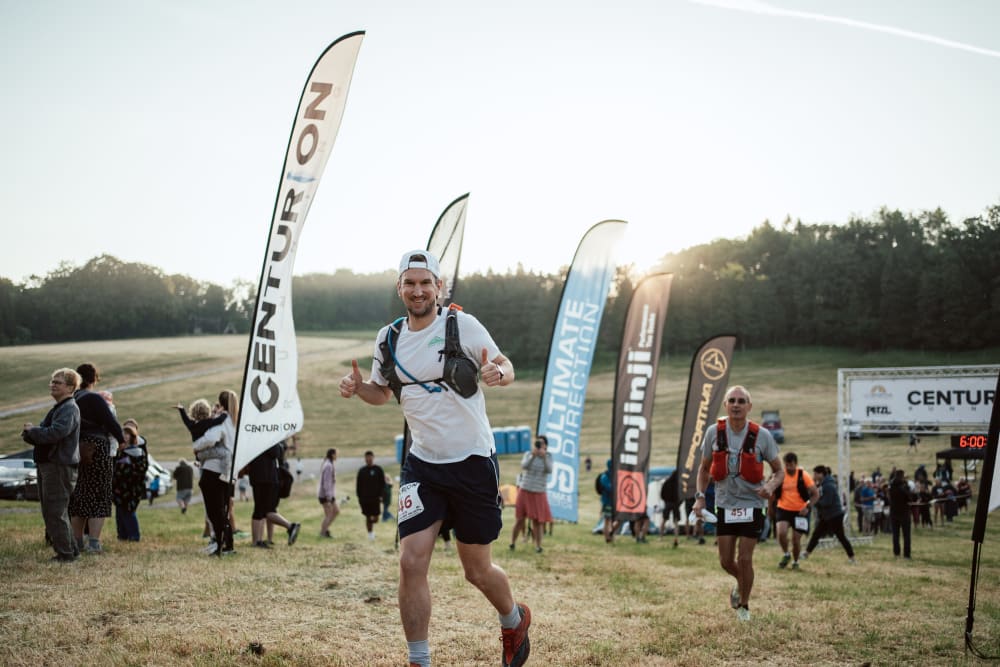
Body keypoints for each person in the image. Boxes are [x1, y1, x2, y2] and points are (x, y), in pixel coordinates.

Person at [339, 250, 529, 667]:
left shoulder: (462, 326)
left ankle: (513, 620)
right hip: (422, 465)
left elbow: (505, 365)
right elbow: (381, 392)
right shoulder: (388, 338)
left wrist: (498, 373)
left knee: (476, 571)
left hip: (472, 461)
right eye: (410, 283)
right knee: (411, 561)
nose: (418, 290)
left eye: (426, 282)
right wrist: (358, 388)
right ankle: (419, 659)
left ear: (439, 287)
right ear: (400, 288)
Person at [693, 385, 783, 622]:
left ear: (749, 407)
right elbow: (704, 469)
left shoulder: (762, 435)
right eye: (732, 400)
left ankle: (744, 605)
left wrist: (770, 487)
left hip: (752, 504)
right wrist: (700, 497)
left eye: (741, 401)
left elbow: (779, 471)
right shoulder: (713, 433)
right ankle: (741, 582)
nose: (736, 405)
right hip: (725, 504)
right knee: (725, 561)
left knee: (745, 558)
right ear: (725, 405)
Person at [21, 368, 81, 562]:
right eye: (52, 381)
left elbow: (55, 433)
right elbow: (46, 434)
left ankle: (65, 555)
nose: (52, 385)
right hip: (51, 465)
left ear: (70, 387)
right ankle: (71, 551)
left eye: (58, 382)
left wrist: (33, 431)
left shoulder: (69, 408)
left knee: (55, 512)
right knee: (53, 511)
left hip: (58, 466)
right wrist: (31, 434)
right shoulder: (60, 407)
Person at [68, 363, 125, 555]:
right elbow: (110, 422)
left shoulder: (72, 398)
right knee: (99, 495)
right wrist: (121, 440)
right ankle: (93, 543)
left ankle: (76, 542)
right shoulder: (94, 398)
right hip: (97, 448)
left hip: (76, 449)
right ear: (94, 379)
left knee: (80, 495)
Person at [191, 390, 238, 556]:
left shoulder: (222, 420)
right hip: (228, 471)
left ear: (221, 404)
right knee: (223, 510)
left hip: (214, 470)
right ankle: (227, 544)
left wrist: (196, 446)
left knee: (214, 511)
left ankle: (220, 544)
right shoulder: (235, 421)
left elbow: (211, 439)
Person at [245, 442, 301, 548]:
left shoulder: (258, 438)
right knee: (262, 510)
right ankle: (258, 540)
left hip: (262, 476)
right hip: (265, 477)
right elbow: (276, 453)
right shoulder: (268, 439)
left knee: (262, 510)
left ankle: (259, 540)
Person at [801, 466, 856, 564]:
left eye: (815, 474)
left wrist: (815, 503)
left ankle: (852, 558)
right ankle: (806, 553)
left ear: (821, 474)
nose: (814, 476)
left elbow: (827, 502)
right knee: (816, 534)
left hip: (834, 515)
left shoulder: (828, 486)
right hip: (826, 515)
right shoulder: (823, 484)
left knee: (841, 537)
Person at [509, 434, 554, 553]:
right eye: (538, 443)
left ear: (546, 446)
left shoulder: (548, 457)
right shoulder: (529, 454)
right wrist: (533, 456)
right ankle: (512, 543)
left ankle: (538, 546)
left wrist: (543, 457)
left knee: (538, 521)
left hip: (539, 492)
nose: (539, 445)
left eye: (542, 443)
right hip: (525, 490)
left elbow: (549, 470)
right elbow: (524, 466)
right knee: (520, 519)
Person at [774, 452, 819, 570]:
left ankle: (795, 561)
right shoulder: (781, 475)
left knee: (796, 539)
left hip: (800, 511)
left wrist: (808, 507)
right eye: (787, 465)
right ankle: (786, 554)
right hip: (783, 508)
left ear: (796, 464)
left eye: (791, 465)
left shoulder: (803, 475)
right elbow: (772, 491)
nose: (789, 468)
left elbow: (815, 494)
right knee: (781, 533)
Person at [112, 422, 148, 541]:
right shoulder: (119, 451)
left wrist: (124, 469)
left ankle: (134, 536)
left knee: (128, 511)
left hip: (131, 488)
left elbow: (140, 470)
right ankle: (122, 535)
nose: (125, 436)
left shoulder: (137, 452)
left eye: (127, 434)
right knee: (120, 512)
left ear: (132, 437)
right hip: (118, 488)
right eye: (123, 434)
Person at [356, 451, 386, 541]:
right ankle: (370, 534)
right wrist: (359, 497)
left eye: (370, 457)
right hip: (365, 499)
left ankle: (371, 523)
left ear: (373, 457)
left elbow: (382, 484)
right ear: (365, 458)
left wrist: (382, 495)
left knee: (376, 518)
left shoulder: (378, 469)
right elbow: (358, 485)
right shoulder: (362, 470)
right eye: (366, 457)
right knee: (368, 516)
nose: (368, 459)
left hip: (376, 498)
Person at [888, 469, 912, 559]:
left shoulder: (891, 486)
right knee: (906, 535)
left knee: (895, 535)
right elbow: (909, 498)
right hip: (904, 513)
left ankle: (896, 553)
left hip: (894, 512)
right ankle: (906, 554)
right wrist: (907, 486)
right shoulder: (904, 487)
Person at [318, 448, 340, 538]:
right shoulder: (328, 466)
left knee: (336, 511)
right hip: (326, 495)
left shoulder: (330, 464)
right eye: (336, 454)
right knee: (330, 514)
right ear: (332, 455)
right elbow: (326, 482)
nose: (337, 456)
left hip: (329, 495)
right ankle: (323, 533)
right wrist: (328, 497)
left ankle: (325, 530)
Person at [658, 470, 683, 547]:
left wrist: (666, 501)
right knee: (676, 522)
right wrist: (679, 503)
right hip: (675, 504)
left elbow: (662, 494)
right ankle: (676, 537)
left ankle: (661, 537)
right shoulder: (679, 484)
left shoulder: (666, 482)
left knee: (664, 520)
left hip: (668, 503)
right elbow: (682, 495)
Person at [596, 458, 617, 543]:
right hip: (607, 501)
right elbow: (609, 488)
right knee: (607, 520)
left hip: (611, 501)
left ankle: (610, 535)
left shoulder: (611, 475)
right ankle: (607, 537)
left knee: (611, 520)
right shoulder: (605, 476)